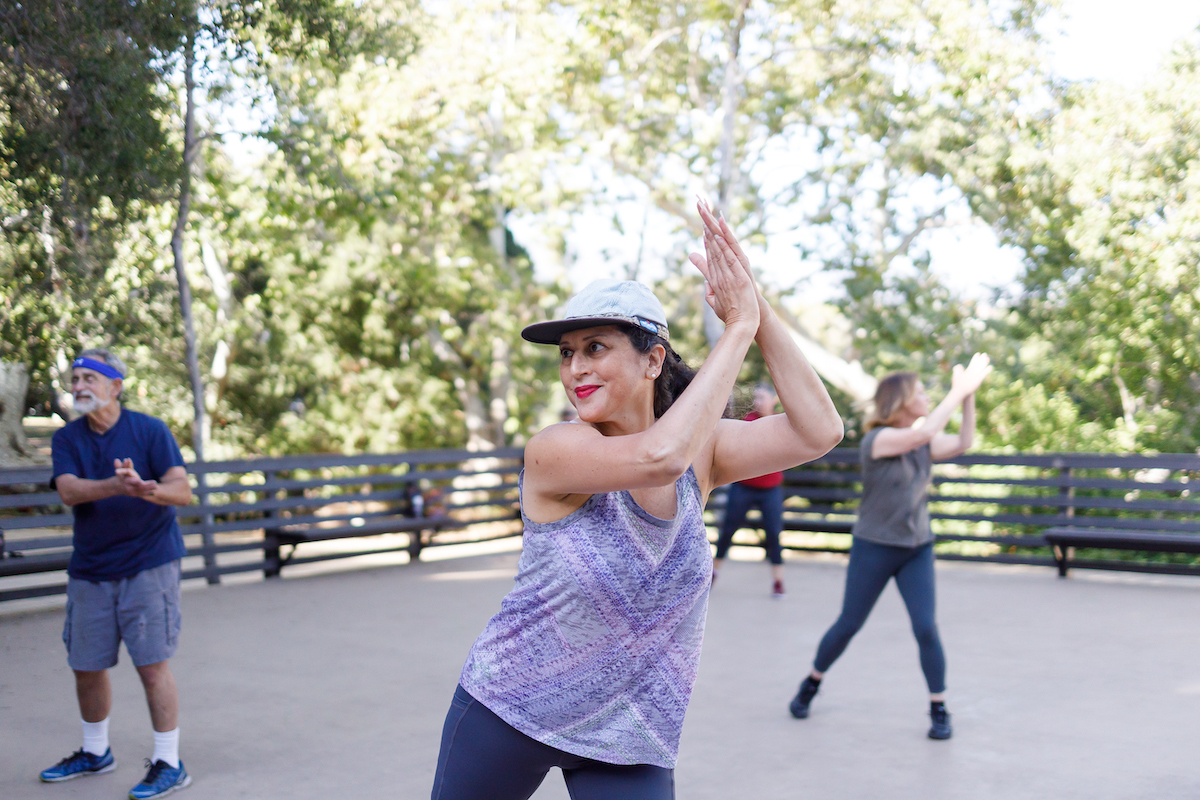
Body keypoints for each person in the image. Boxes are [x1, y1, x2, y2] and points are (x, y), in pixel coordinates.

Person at [431, 201, 844, 800]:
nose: (575, 368)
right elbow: (659, 457)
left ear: (653, 359)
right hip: (510, 709)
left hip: (629, 732)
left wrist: (756, 312)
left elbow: (819, 431)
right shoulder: (557, 451)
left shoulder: (703, 451)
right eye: (566, 353)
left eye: (595, 347)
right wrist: (735, 330)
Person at [787, 356, 992, 740]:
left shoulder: (923, 444)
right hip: (875, 547)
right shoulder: (877, 440)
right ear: (899, 401)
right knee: (849, 625)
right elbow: (921, 434)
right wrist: (957, 390)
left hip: (916, 548)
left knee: (926, 628)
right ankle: (812, 681)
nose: (927, 396)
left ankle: (939, 707)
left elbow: (964, 442)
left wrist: (968, 397)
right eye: (920, 392)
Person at [41, 349, 194, 799]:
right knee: (85, 667)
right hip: (91, 569)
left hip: (149, 564)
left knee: (151, 667)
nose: (80, 386)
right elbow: (68, 491)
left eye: (91, 378)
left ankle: (169, 762)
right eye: (75, 379)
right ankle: (95, 752)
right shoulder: (67, 439)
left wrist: (151, 491)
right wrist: (117, 485)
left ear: (116, 386)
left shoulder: (149, 430)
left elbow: (181, 491)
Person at [712, 382, 788, 597]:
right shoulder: (748, 422)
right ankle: (713, 573)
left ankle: (778, 581)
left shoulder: (781, 422)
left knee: (774, 534)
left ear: (774, 399)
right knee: (728, 530)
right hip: (744, 486)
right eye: (755, 398)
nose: (757, 402)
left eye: (762, 397)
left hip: (771, 489)